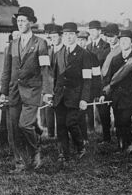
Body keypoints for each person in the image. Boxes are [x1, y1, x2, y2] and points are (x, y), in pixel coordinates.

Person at [0, 6, 53, 172]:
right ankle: (20, 163)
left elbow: (45, 70)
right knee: (14, 128)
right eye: (18, 21)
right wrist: (3, 92)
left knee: (25, 125)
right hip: (14, 92)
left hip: (32, 91)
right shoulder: (12, 44)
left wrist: (48, 91)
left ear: (31, 22)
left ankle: (34, 151)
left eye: (23, 20)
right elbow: (6, 71)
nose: (20, 23)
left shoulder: (40, 43)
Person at [101, 29, 132, 153]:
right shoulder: (115, 59)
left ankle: (128, 143)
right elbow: (110, 80)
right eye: (121, 40)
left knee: (125, 120)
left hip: (131, 96)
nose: (123, 42)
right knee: (118, 121)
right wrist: (105, 94)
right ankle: (120, 144)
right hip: (116, 97)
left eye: (126, 40)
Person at [52, 22, 92, 162]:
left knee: (71, 123)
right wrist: (52, 94)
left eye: (71, 34)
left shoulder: (84, 54)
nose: (68, 37)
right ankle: (64, 153)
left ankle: (80, 147)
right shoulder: (58, 53)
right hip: (59, 96)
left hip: (75, 96)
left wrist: (84, 98)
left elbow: (87, 79)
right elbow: (55, 76)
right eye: (66, 34)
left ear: (76, 35)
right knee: (61, 125)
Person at [85, 20, 110, 137]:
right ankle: (90, 131)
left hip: (101, 80)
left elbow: (103, 62)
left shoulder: (106, 46)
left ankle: (106, 134)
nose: (91, 32)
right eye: (90, 30)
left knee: (102, 109)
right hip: (90, 81)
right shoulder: (88, 46)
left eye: (94, 30)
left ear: (99, 31)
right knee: (88, 107)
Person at [98, 23, 121, 143]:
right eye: (108, 36)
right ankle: (106, 138)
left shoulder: (122, 49)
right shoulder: (105, 50)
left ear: (118, 35)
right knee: (103, 112)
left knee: (118, 113)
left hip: (117, 86)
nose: (110, 39)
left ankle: (120, 137)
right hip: (105, 86)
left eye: (112, 36)